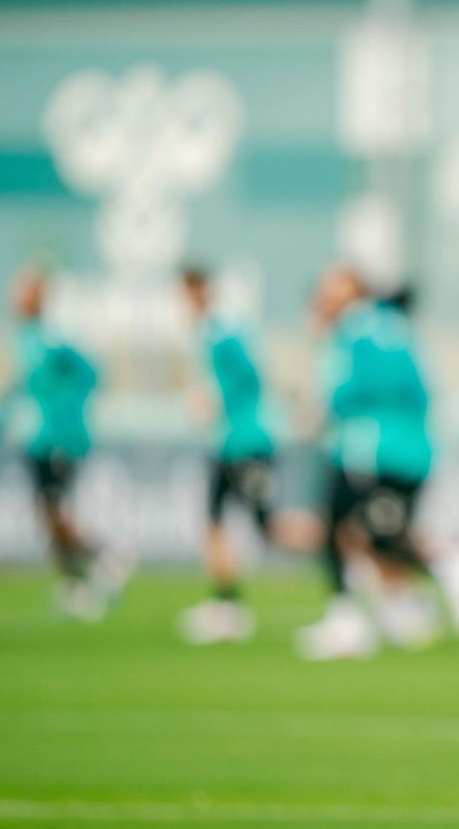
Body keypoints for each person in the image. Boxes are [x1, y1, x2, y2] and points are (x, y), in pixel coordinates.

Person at [295, 267, 437, 660]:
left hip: (366, 448)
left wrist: (317, 413)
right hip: (403, 445)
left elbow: (350, 387)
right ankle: (403, 607)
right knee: (376, 532)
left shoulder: (356, 329)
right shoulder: (393, 327)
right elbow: (419, 389)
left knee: (342, 528)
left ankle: (349, 620)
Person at [0, 267, 130, 620]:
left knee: (56, 507)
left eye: (23, 293)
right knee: (46, 513)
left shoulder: (56, 337)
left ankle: (105, 555)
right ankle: (74, 582)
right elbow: (24, 384)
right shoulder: (27, 338)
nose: (15, 300)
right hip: (37, 439)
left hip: (61, 438)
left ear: (39, 297)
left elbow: (92, 375)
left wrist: (65, 414)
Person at [176, 266, 282, 645]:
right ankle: (226, 607)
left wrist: (216, 403)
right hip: (227, 444)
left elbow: (250, 377)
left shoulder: (222, 333)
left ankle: (346, 544)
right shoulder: (210, 333)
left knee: (271, 529)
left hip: (246, 441)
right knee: (214, 521)